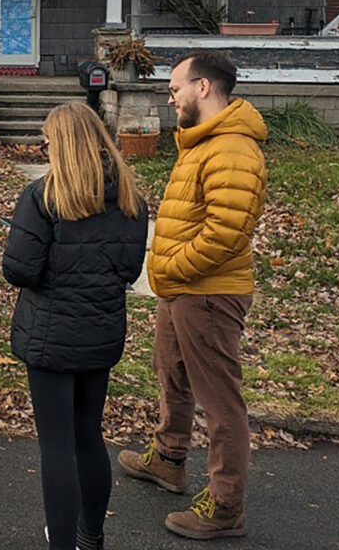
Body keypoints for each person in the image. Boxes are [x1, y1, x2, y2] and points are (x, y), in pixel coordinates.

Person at [118, 50, 267, 541]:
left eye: (176, 86)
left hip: (207, 293)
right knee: (172, 371)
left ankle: (226, 506)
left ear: (203, 88)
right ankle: (169, 457)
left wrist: (173, 270)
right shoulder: (202, 143)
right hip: (185, 291)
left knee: (220, 402)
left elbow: (227, 232)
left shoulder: (232, 149)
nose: (170, 95)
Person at [2, 101, 149, 550]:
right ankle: (92, 537)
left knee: (57, 446)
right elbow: (129, 268)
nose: (43, 146)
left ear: (62, 144)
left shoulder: (43, 197)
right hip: (101, 332)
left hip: (50, 333)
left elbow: (19, 269)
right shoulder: (130, 199)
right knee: (89, 435)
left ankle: (62, 543)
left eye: (47, 138)